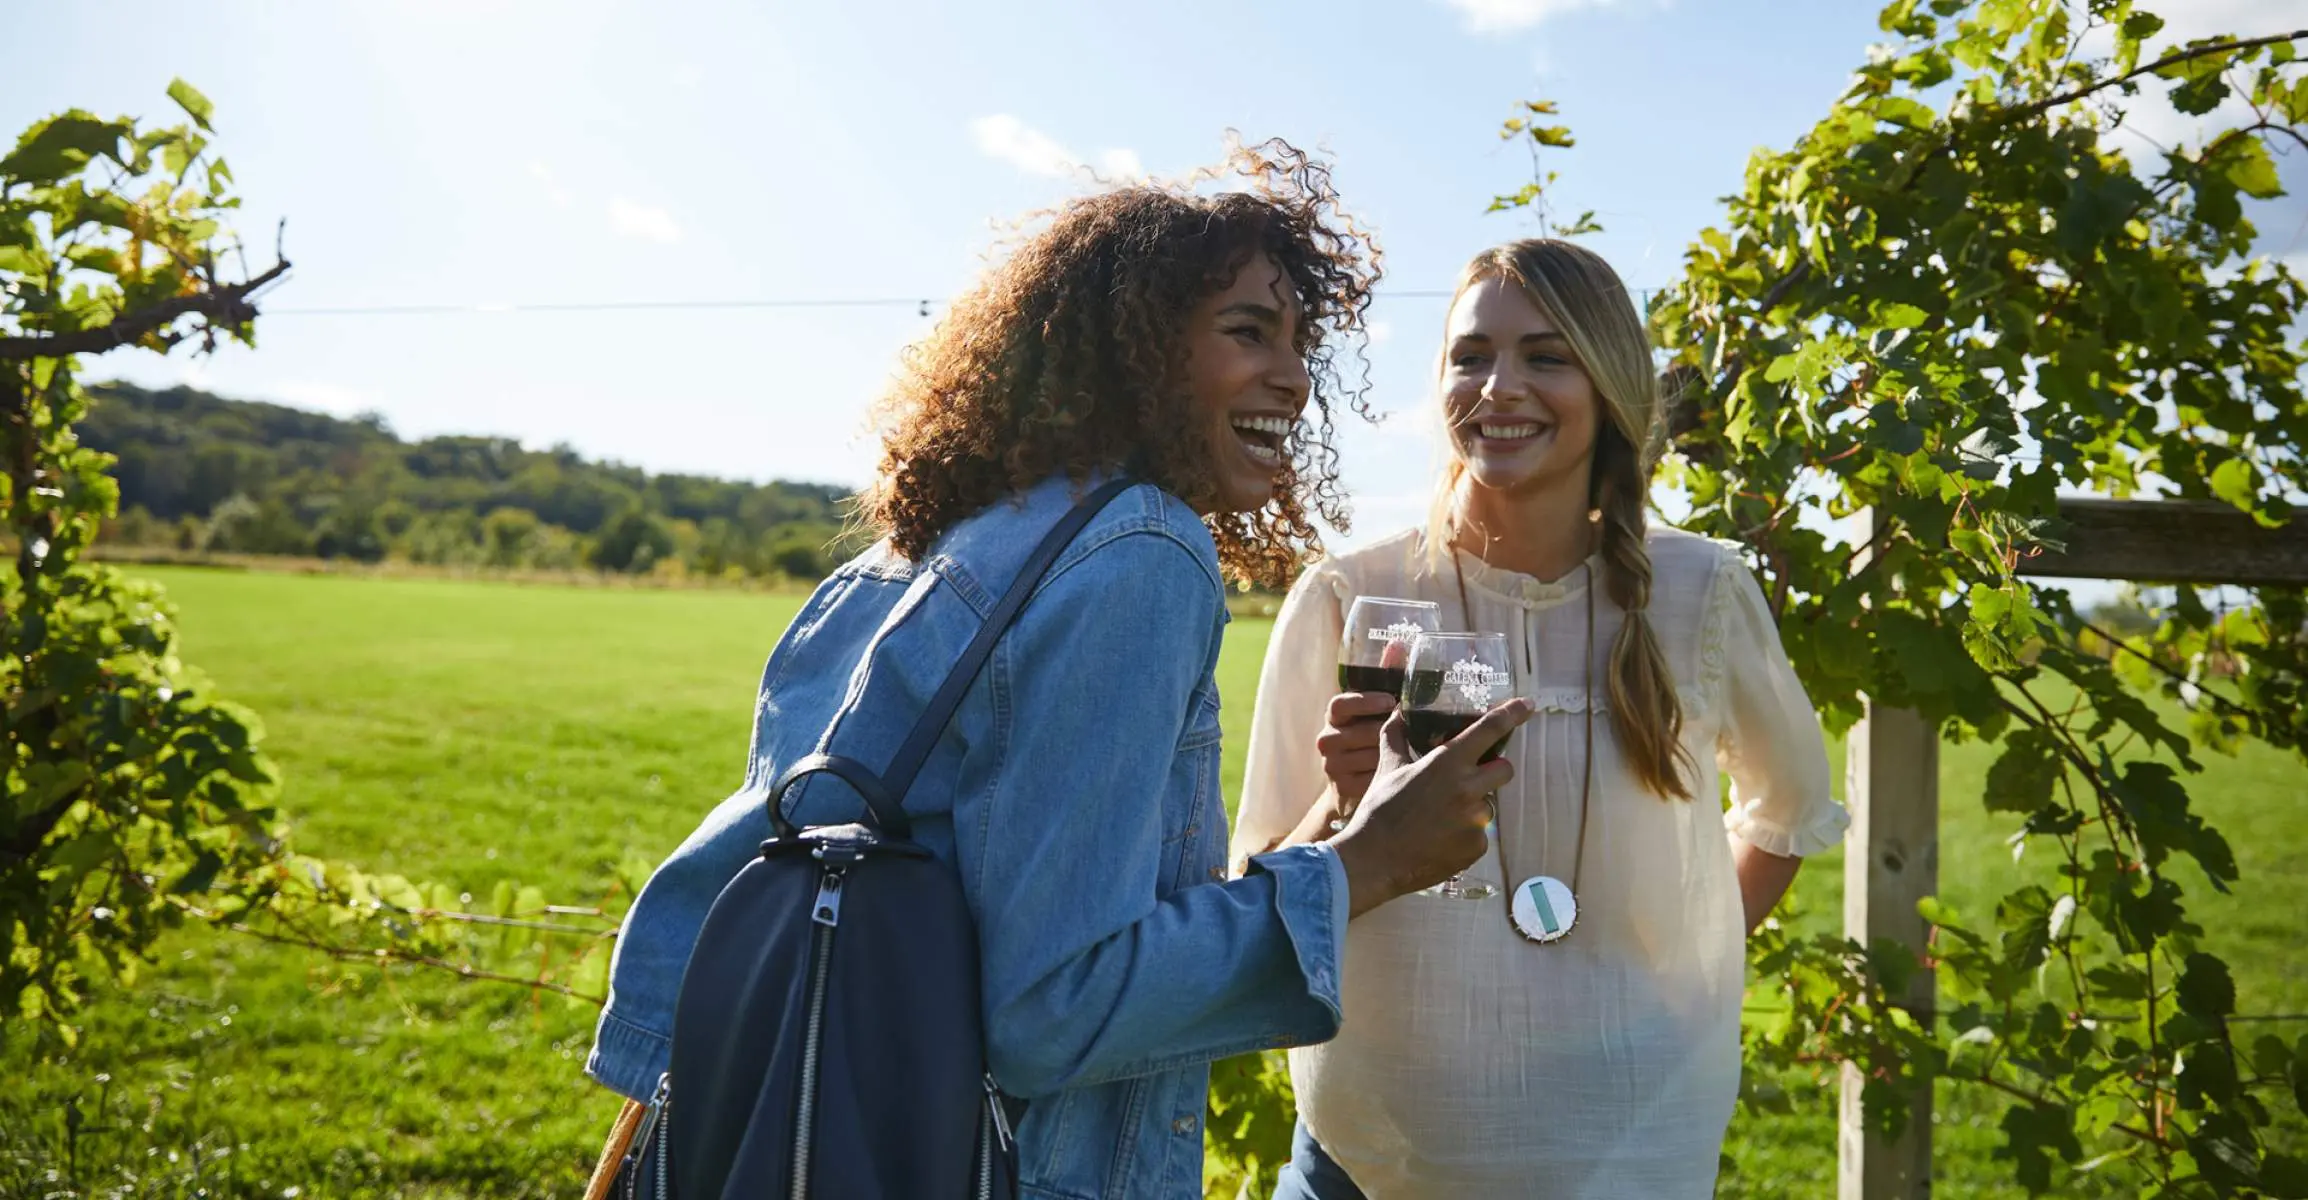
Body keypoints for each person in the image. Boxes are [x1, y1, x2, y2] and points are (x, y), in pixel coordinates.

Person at [581, 144, 1532, 1200]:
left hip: (763, 1132)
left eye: (1300, 339)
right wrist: (1373, 865)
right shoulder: (1145, 551)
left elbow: (1038, 912)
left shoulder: (918, 549)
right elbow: (1054, 1009)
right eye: (1248, 331)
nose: (1295, 376)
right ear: (1135, 355)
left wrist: (1337, 830)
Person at [1233, 238, 1849, 1198]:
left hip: (1626, 1140)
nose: (1499, 387)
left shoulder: (1702, 589)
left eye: (1545, 356)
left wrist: (1677, 989)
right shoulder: (1354, 594)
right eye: (1471, 355)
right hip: (1371, 1147)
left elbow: (1787, 813)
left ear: (1607, 385)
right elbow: (1260, 873)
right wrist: (1342, 804)